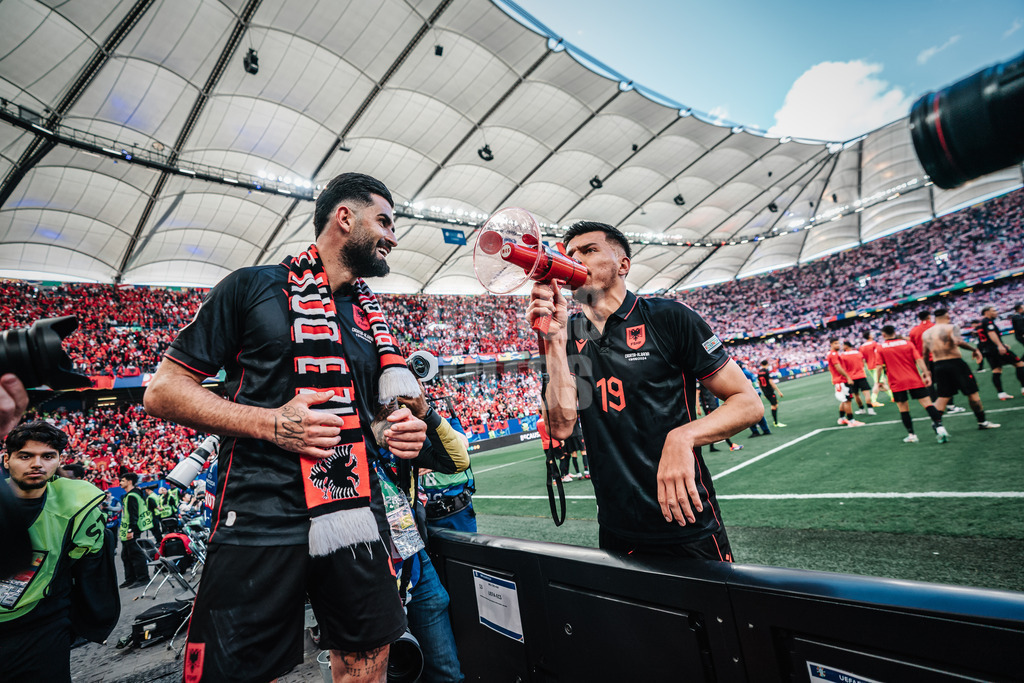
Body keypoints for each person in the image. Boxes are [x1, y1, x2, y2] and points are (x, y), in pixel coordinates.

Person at [144, 172, 428, 683]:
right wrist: (271, 423)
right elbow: (163, 391)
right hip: (258, 513)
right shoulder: (252, 287)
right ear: (346, 218)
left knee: (368, 661)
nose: (393, 236)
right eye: (384, 221)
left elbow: (376, 418)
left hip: (354, 512)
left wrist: (394, 431)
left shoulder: (371, 317)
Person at [527, 221, 762, 561]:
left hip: (684, 518)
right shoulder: (569, 333)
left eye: (589, 250)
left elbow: (748, 403)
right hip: (615, 525)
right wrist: (552, 341)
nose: (576, 260)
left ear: (623, 265)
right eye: (571, 254)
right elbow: (560, 427)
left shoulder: (668, 318)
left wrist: (682, 437)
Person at [0, 421, 120, 682]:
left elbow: (86, 567)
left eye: (47, 456)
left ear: (58, 460)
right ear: (6, 460)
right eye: (25, 456)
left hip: (42, 625)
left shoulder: (76, 505)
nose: (37, 464)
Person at [374, 388, 470, 683]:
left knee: (446, 673)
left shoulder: (403, 438)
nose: (389, 402)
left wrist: (425, 412)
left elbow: (458, 461)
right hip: (366, 565)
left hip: (411, 558)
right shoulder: (345, 434)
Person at [921, 309, 999, 430]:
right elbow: (958, 341)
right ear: (947, 316)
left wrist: (927, 371)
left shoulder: (926, 333)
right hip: (955, 363)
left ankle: (937, 423)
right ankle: (982, 422)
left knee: (943, 396)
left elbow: (925, 354)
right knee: (972, 393)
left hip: (938, 365)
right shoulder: (951, 327)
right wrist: (974, 350)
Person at [876, 325, 950, 444]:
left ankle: (912, 435)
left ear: (883, 335)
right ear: (895, 332)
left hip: (897, 382)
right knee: (928, 404)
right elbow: (919, 360)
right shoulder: (907, 344)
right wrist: (926, 374)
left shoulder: (880, 348)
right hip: (914, 379)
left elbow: (879, 366)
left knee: (903, 409)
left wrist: (878, 381)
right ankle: (940, 428)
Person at [976, 304, 1024, 400]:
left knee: (996, 370)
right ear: (987, 312)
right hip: (997, 350)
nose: (996, 312)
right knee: (1020, 364)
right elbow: (991, 333)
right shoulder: (988, 322)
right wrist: (1000, 345)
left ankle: (1001, 394)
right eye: (993, 311)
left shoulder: (980, 323)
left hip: (989, 351)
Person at [118, 471, 152, 588]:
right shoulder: (131, 494)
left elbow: (133, 515)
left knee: (135, 554)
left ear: (129, 481)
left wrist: (130, 530)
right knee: (126, 555)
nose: (120, 482)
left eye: (122, 480)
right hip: (127, 529)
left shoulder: (132, 496)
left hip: (131, 530)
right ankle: (130, 578)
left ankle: (143, 577)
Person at [826, 339, 863, 427]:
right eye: (835, 343)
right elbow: (838, 367)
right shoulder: (834, 354)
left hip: (838, 380)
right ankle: (851, 421)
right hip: (841, 380)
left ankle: (842, 418)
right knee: (847, 400)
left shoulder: (832, 354)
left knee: (844, 400)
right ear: (831, 344)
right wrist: (848, 377)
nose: (838, 345)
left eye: (838, 343)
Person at [697, 382, 743, 452]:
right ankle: (731, 445)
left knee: (713, 427)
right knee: (719, 425)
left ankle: (712, 447)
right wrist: (698, 408)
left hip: (712, 405)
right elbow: (697, 394)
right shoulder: (700, 382)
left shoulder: (706, 380)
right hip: (708, 406)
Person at [737, 361, 772, 437]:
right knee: (756, 412)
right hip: (755, 392)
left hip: (750, 393)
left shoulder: (743, 372)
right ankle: (765, 429)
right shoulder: (746, 371)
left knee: (748, 413)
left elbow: (748, 383)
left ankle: (756, 431)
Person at [840, 341, 875, 416]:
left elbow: (843, 368)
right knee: (867, 393)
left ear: (846, 346)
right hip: (861, 375)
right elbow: (863, 362)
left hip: (851, 378)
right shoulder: (858, 353)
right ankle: (870, 409)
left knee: (856, 395)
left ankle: (861, 409)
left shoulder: (842, 355)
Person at [860, 330, 890, 405]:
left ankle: (893, 396)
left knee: (882, 382)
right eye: (871, 334)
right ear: (869, 336)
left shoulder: (862, 347)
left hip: (869, 366)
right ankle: (873, 401)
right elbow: (880, 353)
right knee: (878, 383)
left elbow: (862, 358)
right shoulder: (874, 344)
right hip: (877, 365)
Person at [756, 360, 786, 427]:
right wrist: (779, 391)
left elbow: (759, 383)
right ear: (767, 364)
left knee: (774, 404)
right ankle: (775, 422)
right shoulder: (766, 372)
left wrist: (763, 391)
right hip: (770, 391)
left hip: (765, 391)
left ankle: (775, 422)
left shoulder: (759, 372)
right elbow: (771, 382)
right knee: (774, 405)